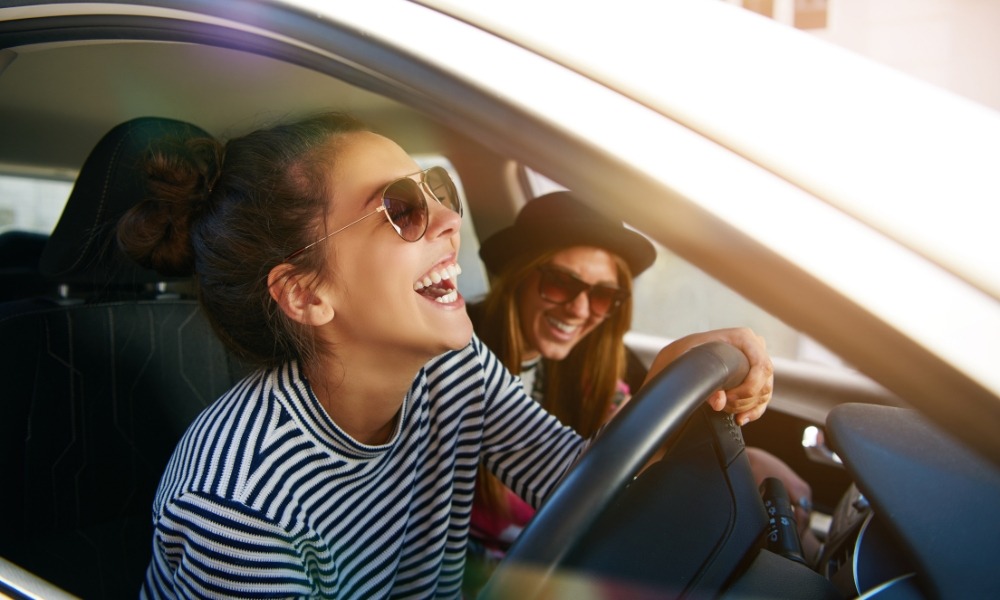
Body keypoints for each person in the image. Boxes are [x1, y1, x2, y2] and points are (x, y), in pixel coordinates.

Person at [118, 113, 770, 598]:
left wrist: (669, 382)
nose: (450, 221)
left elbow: (581, 486)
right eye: (400, 209)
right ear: (306, 293)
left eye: (436, 191)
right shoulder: (239, 499)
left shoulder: (451, 372)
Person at [465, 192, 811, 588]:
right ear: (518, 275)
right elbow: (576, 478)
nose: (580, 310)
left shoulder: (592, 362)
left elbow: (615, 455)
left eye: (602, 295)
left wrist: (749, 459)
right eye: (560, 283)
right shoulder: (463, 361)